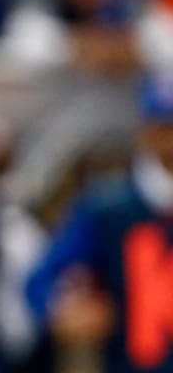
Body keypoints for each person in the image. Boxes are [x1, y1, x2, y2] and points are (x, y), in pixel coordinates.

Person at [25, 68, 173, 372]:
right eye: (165, 128)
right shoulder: (108, 207)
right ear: (144, 129)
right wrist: (63, 310)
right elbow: (40, 279)